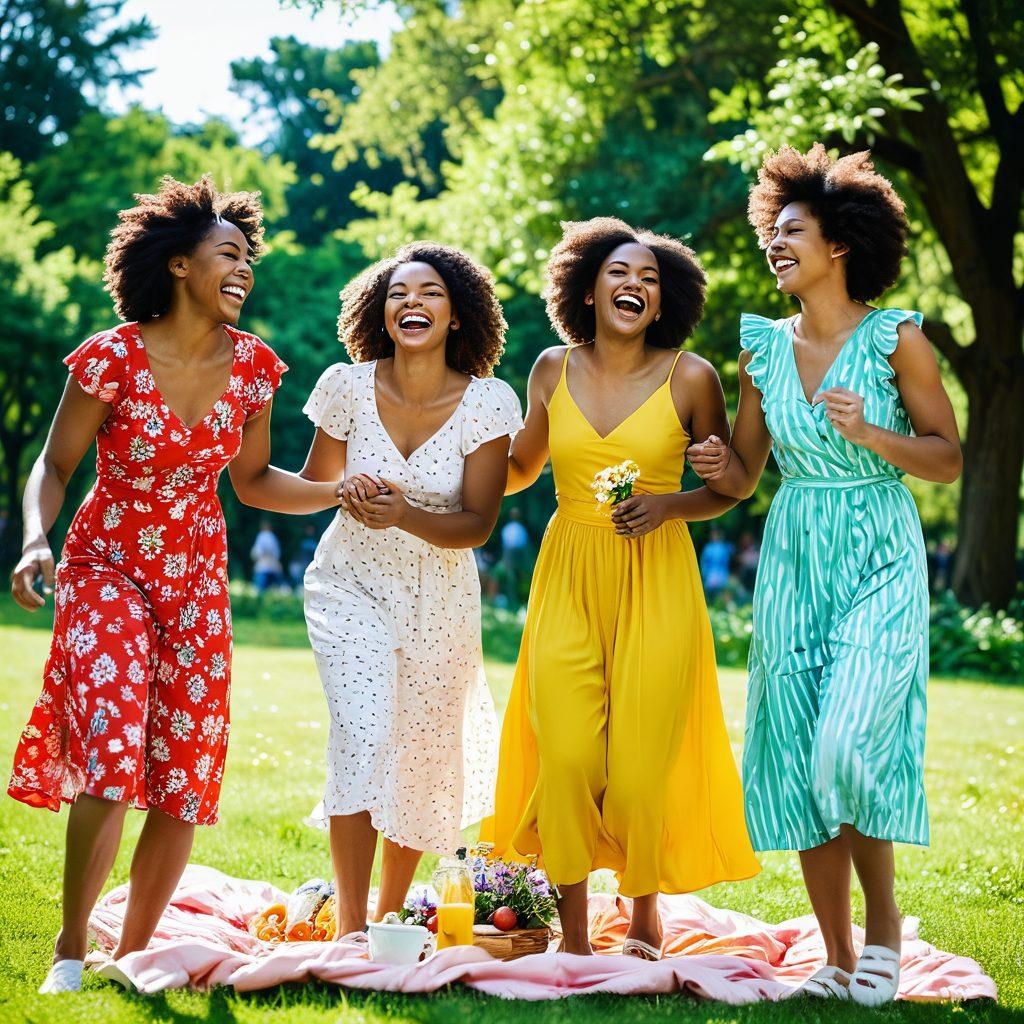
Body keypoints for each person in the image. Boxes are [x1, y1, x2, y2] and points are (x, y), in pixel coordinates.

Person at [7, 176, 344, 994]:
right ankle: (66, 947)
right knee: (115, 747)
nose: (244, 270)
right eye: (229, 254)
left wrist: (340, 489)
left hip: (195, 579)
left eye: (248, 259)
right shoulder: (111, 354)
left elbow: (257, 481)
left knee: (184, 769)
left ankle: (133, 953)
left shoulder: (257, 367)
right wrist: (33, 538)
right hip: (107, 566)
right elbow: (55, 465)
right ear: (181, 265)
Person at [689, 145, 961, 1005]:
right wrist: (710, 463)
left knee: (848, 743)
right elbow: (740, 477)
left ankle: (884, 934)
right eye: (772, 231)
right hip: (795, 554)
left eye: (792, 231)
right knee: (805, 755)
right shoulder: (762, 350)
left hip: (878, 546)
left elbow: (949, 458)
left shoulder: (897, 339)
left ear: (840, 243)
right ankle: (834, 959)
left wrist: (873, 434)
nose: (775, 244)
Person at [484, 218, 759, 959]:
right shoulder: (550, 369)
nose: (634, 285)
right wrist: (458, 462)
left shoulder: (692, 376)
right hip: (568, 572)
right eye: (618, 273)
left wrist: (676, 499)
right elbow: (517, 469)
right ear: (587, 286)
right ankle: (573, 931)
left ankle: (643, 919)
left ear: (664, 302)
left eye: (649, 279)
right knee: (568, 755)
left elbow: (729, 485)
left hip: (657, 576)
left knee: (639, 767)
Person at [297, 242, 523, 938]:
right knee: (363, 733)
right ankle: (350, 926)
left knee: (420, 750)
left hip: (440, 594)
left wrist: (406, 514)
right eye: (397, 293)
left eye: (429, 293)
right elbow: (314, 487)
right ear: (379, 311)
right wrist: (344, 493)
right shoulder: (345, 385)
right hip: (350, 582)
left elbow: (477, 524)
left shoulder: (488, 401)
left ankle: (388, 920)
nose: (411, 302)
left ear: (457, 316)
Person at [499, 507, 530, 608]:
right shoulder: (511, 528)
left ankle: (518, 601)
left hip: (517, 556)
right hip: (511, 555)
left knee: (517, 579)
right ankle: (512, 602)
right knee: (511, 579)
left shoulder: (519, 529)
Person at [698, 526, 734, 600]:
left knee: (719, 593)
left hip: (720, 574)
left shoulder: (724, 547)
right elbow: (704, 562)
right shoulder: (709, 547)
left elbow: (726, 562)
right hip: (711, 574)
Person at [250, 519, 283, 592]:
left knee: (260, 590)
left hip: (262, 566)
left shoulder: (261, 536)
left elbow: (257, 552)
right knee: (272, 590)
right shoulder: (273, 537)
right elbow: (277, 552)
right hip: (272, 566)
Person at [289, 522, 320, 591]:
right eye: (308, 529)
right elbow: (296, 553)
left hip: (312, 566)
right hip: (301, 564)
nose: (310, 531)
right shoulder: (300, 540)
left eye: (311, 529)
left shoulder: (317, 540)